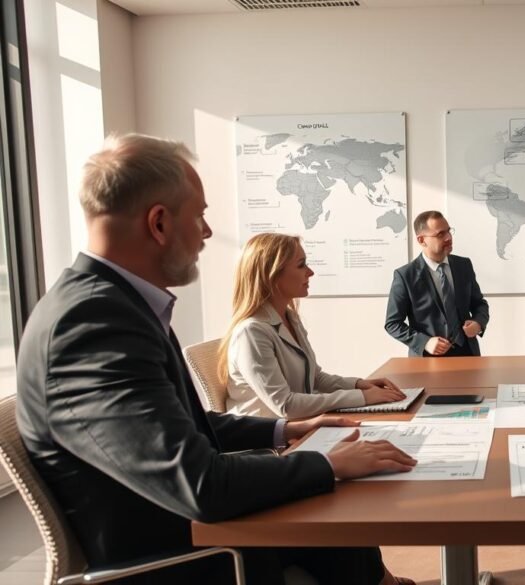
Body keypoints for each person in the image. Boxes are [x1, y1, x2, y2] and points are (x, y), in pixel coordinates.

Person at [15, 134, 418, 585]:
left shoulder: (116, 305)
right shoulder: (93, 324)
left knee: (342, 523)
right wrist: (328, 464)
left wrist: (289, 428)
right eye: (200, 216)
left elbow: (185, 428)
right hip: (189, 557)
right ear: (159, 223)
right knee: (333, 500)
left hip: (197, 531)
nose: (207, 233)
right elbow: (200, 484)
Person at [222, 233, 406, 419]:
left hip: (299, 429)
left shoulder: (290, 318)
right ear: (272, 274)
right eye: (301, 265)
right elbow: (286, 406)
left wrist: (358, 385)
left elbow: (315, 378)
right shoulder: (252, 332)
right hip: (267, 443)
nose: (310, 272)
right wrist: (361, 397)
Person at [385, 210, 489, 357]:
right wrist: (424, 342)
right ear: (422, 240)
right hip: (427, 360)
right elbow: (392, 324)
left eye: (449, 231)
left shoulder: (464, 265)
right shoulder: (405, 276)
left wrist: (478, 323)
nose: (448, 237)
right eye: (440, 234)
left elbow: (479, 304)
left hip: (468, 354)